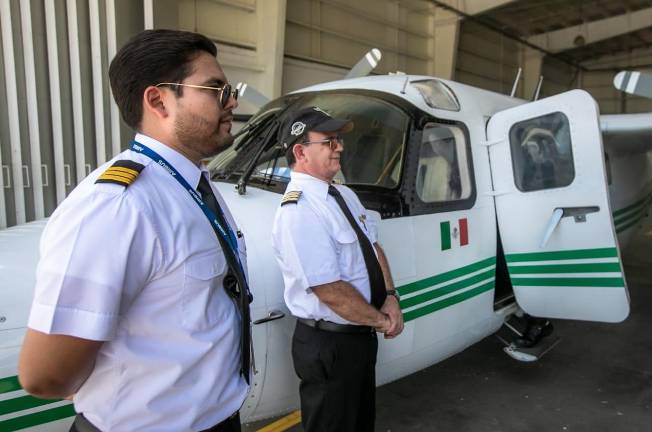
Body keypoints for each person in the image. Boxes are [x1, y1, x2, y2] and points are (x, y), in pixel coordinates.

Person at [17, 29, 251, 431]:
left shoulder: (191, 183)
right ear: (158, 99)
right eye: (214, 89)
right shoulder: (119, 205)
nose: (231, 101)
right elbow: (45, 374)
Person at [271, 106, 404, 432]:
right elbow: (329, 289)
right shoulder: (298, 210)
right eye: (329, 141)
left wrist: (389, 296)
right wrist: (380, 320)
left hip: (358, 338)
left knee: (360, 423)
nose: (340, 147)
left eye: (338, 140)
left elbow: (374, 248)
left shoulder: (343, 194)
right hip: (328, 346)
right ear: (301, 152)